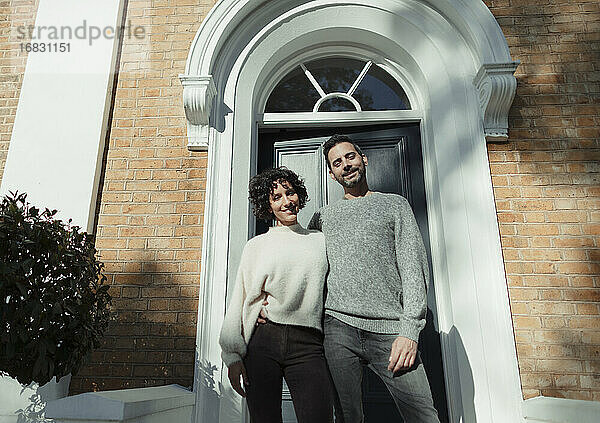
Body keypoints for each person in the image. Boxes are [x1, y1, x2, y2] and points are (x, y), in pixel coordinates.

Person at [308, 134, 440, 422]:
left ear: (363, 159)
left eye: (350, 157)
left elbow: (413, 268)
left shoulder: (394, 205)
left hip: (392, 330)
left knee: (423, 415)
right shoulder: (322, 217)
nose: (346, 165)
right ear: (332, 174)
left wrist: (409, 331)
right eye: (337, 162)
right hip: (337, 329)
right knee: (346, 417)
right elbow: (306, 272)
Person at [218, 166, 333, 423]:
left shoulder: (319, 241)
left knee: (319, 417)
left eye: (289, 193)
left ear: (299, 196)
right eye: (277, 197)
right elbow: (240, 297)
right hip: (264, 341)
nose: (286, 201)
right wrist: (232, 356)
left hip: (308, 343)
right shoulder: (257, 246)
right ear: (268, 206)